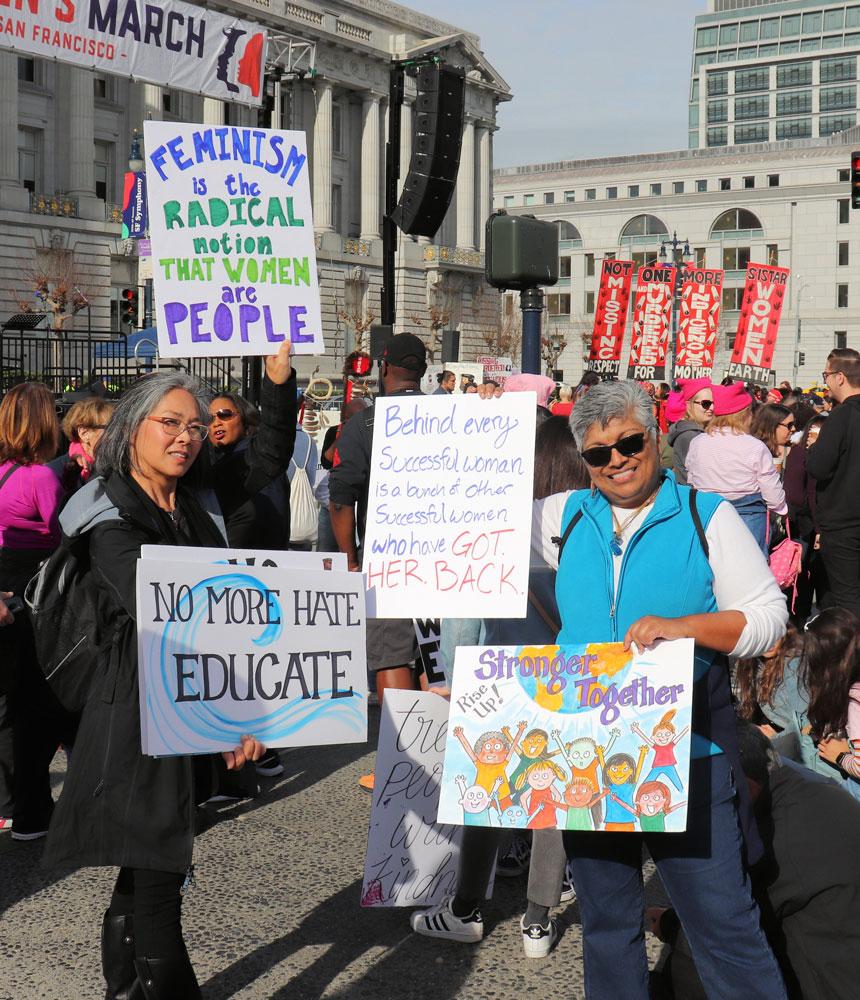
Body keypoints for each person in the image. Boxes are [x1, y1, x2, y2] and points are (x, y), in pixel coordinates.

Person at [43, 341, 296, 998]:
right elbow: (169, 616)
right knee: (159, 876)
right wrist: (235, 713)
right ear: (132, 429)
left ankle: (124, 989)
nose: (186, 437)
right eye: (170, 423)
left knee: (147, 867)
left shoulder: (192, 499)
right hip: (139, 713)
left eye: (195, 426)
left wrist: (277, 381)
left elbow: (268, 459)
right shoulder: (110, 517)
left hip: (181, 701)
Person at [549, 380, 788, 999]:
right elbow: (471, 542)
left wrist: (684, 627)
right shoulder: (564, 515)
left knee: (724, 928)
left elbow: (768, 619)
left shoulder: (707, 515)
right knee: (606, 926)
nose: (617, 460)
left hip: (689, 753)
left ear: (656, 437)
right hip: (588, 756)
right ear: (583, 459)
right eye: (598, 452)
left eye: (630, 442)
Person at [413, 414, 590, 958]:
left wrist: (456, 679)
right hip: (568, 677)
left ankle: (466, 908)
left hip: (499, 674)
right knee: (555, 795)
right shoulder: (593, 531)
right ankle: (538, 921)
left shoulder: (499, 531)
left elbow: (464, 620)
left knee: (488, 789)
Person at [649, 721, 860, 1000]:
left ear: (739, 785)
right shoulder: (806, 786)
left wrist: (671, 927)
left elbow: (724, 929)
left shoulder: (776, 832)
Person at [329, 334, 427, 792]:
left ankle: (400, 763)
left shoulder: (365, 424)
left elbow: (341, 497)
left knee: (393, 654)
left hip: (389, 559)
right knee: (439, 655)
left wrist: (350, 559)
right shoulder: (453, 413)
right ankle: (443, 756)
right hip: (457, 556)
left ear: (384, 368)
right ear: (422, 371)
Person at [0, 383, 74, 842]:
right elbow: (67, 535)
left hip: (7, 585)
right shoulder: (41, 478)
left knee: (17, 702)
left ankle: (20, 807)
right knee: (43, 701)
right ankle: (35, 809)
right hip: (37, 593)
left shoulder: (4, 471)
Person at [686, 382, 787, 557]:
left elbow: (692, 479)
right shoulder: (755, 446)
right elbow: (771, 490)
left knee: (710, 565)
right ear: (745, 414)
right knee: (750, 566)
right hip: (748, 516)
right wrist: (781, 509)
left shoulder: (697, 443)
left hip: (707, 514)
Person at [805, 354, 860, 618]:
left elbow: (818, 467)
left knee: (848, 598)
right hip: (846, 520)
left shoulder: (841, 416)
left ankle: (852, 644)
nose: (825, 382)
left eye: (826, 375)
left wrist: (813, 449)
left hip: (843, 522)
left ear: (840, 377)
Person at [207, 391, 295, 550]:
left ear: (245, 420)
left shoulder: (255, 460)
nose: (216, 423)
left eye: (224, 415)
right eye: (209, 419)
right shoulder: (216, 462)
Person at [783, 415, 828, 624]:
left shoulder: (820, 456)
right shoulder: (800, 453)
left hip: (812, 524)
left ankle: (805, 618)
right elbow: (802, 494)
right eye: (811, 432)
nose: (812, 437)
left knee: (812, 574)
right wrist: (817, 528)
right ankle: (800, 619)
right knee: (803, 574)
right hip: (804, 525)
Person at [50, 396, 116, 494]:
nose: (117, 434)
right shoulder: (54, 474)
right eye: (110, 428)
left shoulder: (114, 467)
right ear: (84, 433)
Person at [665, 377, 713, 485]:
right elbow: (700, 477)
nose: (712, 408)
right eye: (706, 404)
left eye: (713, 403)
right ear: (689, 405)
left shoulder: (697, 431)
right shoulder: (689, 435)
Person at [750, 403, 795, 471]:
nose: (794, 428)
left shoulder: (797, 453)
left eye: (794, 424)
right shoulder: (752, 452)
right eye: (789, 425)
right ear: (772, 426)